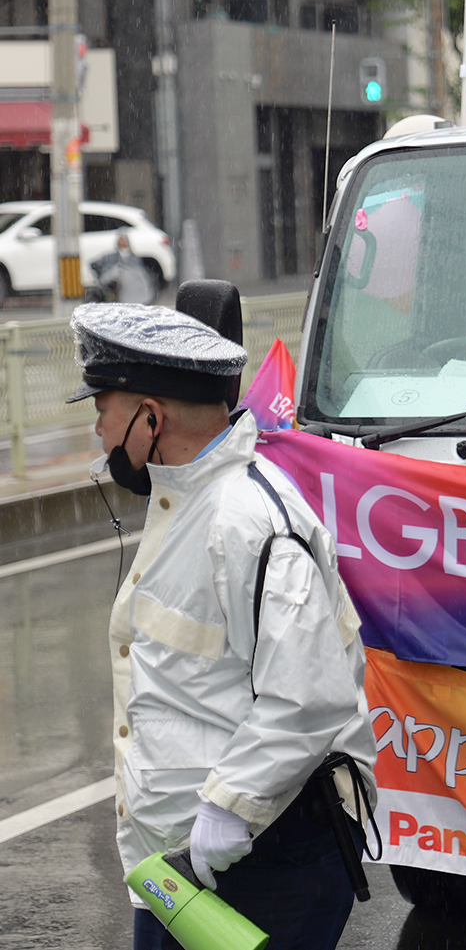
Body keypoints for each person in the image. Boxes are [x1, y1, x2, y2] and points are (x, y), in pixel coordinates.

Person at [69, 302, 378, 949]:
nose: (97, 429)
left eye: (104, 407)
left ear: (152, 416)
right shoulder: (183, 504)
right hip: (180, 864)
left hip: (265, 852)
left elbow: (310, 693)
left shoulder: (244, 519)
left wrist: (228, 806)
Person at [90, 233, 157, 305]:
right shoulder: (111, 256)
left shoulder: (134, 258)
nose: (122, 242)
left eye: (124, 240)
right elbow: (95, 264)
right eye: (120, 240)